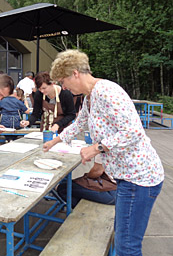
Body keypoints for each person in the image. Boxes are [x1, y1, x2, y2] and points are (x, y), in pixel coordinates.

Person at [44, 49, 164, 256]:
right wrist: (53, 141)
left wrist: (96, 148)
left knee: (127, 246)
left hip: (139, 178)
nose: (63, 87)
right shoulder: (90, 97)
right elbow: (78, 123)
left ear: (75, 73)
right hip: (126, 177)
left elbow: (133, 131)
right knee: (123, 236)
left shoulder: (106, 91)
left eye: (63, 81)